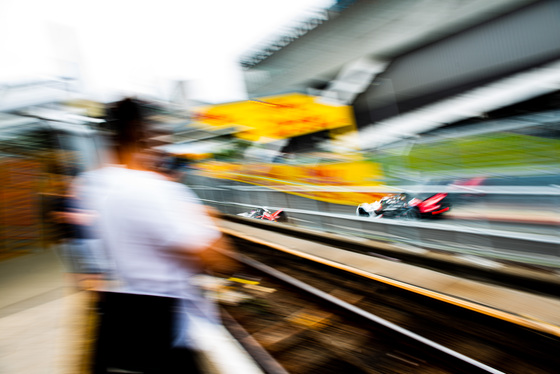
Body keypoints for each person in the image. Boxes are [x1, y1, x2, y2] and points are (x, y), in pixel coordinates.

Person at [75, 98, 236, 373]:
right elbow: (220, 259)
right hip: (167, 329)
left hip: (129, 321)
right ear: (143, 133)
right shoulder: (155, 190)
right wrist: (210, 220)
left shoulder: (97, 188)